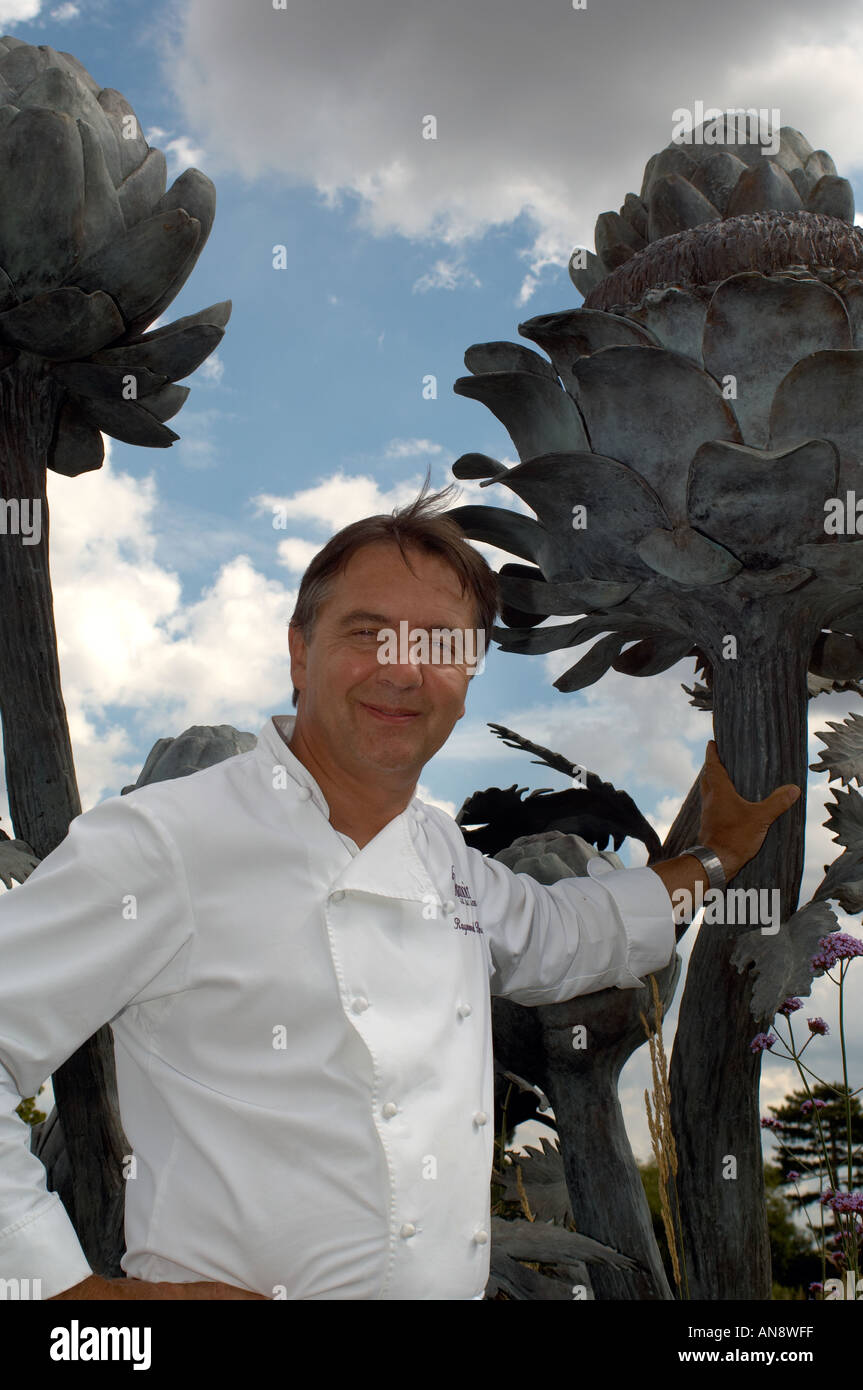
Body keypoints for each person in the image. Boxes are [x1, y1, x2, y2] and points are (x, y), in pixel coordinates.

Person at [0, 482, 799, 1301]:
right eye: (367, 632)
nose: (403, 670)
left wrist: (712, 860)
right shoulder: (166, 840)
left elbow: (565, 933)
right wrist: (69, 1295)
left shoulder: (436, 852)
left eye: (441, 644)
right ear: (298, 652)